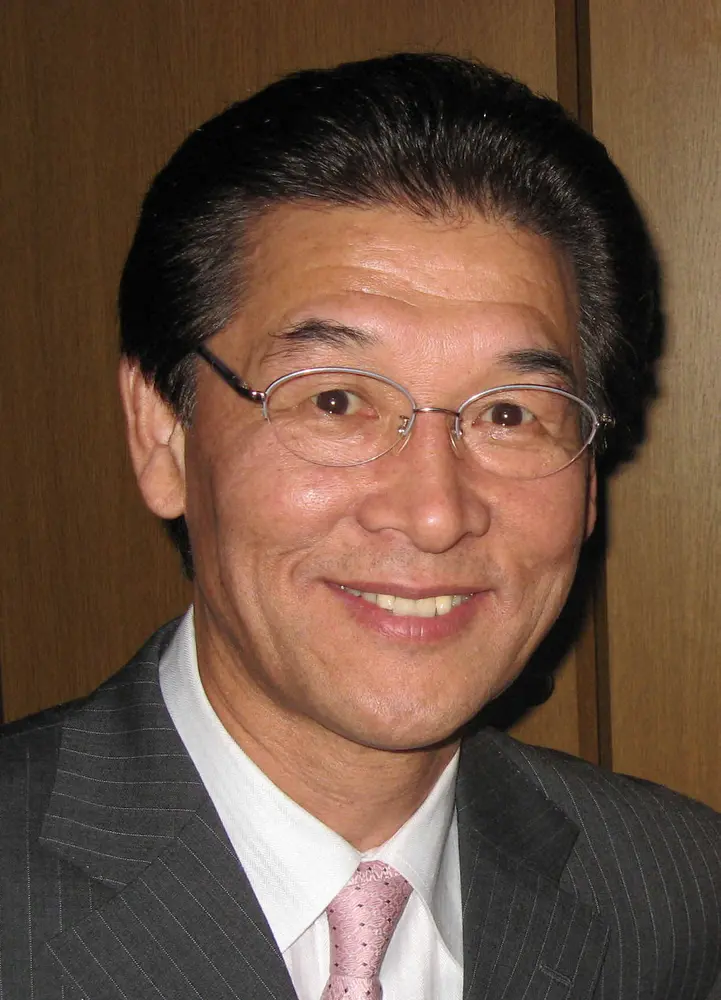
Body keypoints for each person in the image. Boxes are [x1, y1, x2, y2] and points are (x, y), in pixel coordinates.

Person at [1, 52, 719, 1000]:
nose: (434, 513)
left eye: (509, 414)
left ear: (589, 479)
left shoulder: (679, 898)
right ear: (161, 432)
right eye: (335, 401)